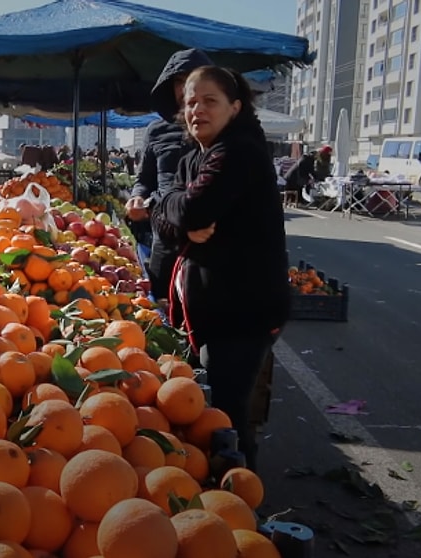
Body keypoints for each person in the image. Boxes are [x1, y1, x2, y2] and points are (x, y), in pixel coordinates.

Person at [152, 66, 290, 471]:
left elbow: (192, 208)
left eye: (209, 101)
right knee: (215, 406)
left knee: (226, 414)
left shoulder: (239, 150)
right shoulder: (196, 156)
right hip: (213, 311)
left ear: (235, 106)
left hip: (243, 312)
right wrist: (180, 223)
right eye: (190, 102)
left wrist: (176, 210)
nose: (197, 110)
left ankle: (241, 495)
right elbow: (164, 216)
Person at [126, 48, 214, 301]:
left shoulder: (223, 131)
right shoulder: (156, 131)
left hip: (210, 246)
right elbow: (144, 180)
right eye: (178, 82)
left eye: (192, 79)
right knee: (162, 310)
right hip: (164, 241)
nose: (185, 88)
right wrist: (137, 197)